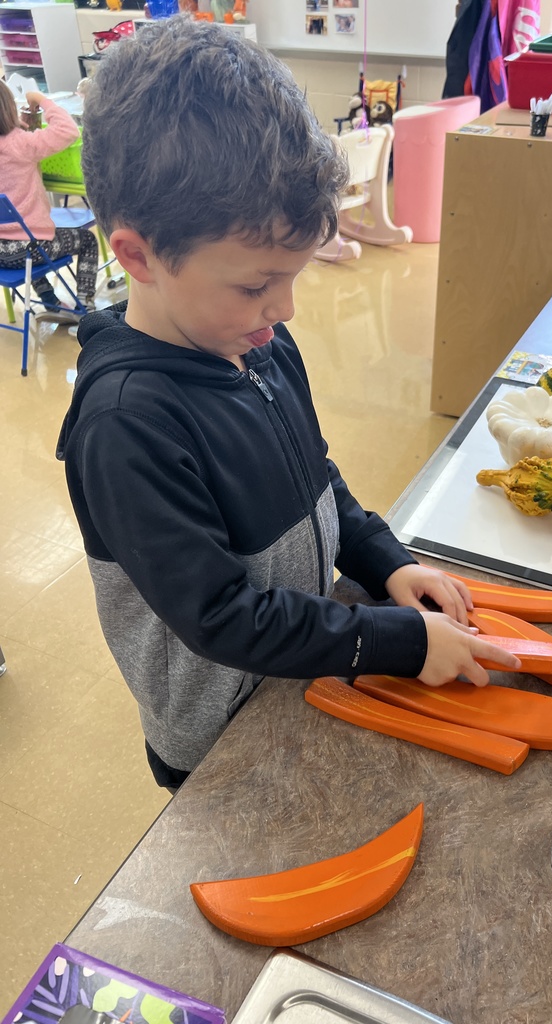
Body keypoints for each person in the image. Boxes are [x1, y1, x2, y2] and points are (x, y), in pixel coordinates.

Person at [56, 16, 519, 791]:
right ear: (137, 255)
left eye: (292, 276)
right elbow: (223, 619)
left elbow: (318, 477)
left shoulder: (253, 340)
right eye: (255, 284)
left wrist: (384, 564)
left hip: (313, 669)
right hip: (220, 740)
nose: (286, 310)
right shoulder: (125, 426)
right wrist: (399, 642)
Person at [0, 83, 99, 317]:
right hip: (28, 249)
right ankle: (86, 308)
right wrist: (41, 100)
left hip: (2, 252)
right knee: (86, 240)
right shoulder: (20, 144)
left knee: (29, 244)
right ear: (8, 109)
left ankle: (49, 301)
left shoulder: (20, 141)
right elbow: (69, 131)